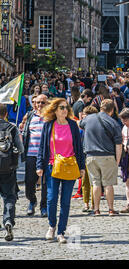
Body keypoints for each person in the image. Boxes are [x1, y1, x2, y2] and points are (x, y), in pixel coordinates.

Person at [36, 98, 86, 243]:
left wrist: (81, 167)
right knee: (51, 199)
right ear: (55, 110)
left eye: (66, 107)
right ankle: (52, 225)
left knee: (65, 201)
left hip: (69, 166)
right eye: (61, 107)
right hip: (52, 167)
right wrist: (39, 165)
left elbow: (78, 147)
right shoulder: (48, 125)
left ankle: (61, 232)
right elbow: (42, 147)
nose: (64, 110)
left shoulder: (72, 125)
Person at [80, 99, 123, 216]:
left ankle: (96, 209)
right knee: (108, 184)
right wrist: (117, 160)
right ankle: (110, 209)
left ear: (100, 107)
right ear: (112, 110)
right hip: (107, 156)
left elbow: (81, 124)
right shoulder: (113, 123)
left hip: (90, 155)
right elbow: (119, 145)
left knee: (95, 183)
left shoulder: (88, 119)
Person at [0, 104, 24, 241]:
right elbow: (20, 148)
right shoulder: (12, 128)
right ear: (6, 114)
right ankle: (8, 221)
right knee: (9, 196)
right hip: (8, 167)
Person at [21, 94, 48, 217]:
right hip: (31, 153)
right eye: (37, 103)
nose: (40, 105)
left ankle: (44, 206)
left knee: (45, 183)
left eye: (42, 102)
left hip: (46, 155)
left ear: (47, 104)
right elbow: (24, 131)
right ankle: (32, 200)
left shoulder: (50, 117)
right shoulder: (30, 115)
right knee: (29, 181)